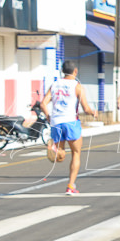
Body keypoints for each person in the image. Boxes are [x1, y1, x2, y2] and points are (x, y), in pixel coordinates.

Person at [42, 60, 97, 195]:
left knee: (60, 156)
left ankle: (55, 149)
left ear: (62, 71)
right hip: (71, 121)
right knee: (76, 153)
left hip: (56, 122)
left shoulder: (54, 85)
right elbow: (85, 107)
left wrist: (49, 117)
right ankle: (71, 185)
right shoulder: (77, 86)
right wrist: (92, 113)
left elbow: (43, 103)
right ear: (75, 71)